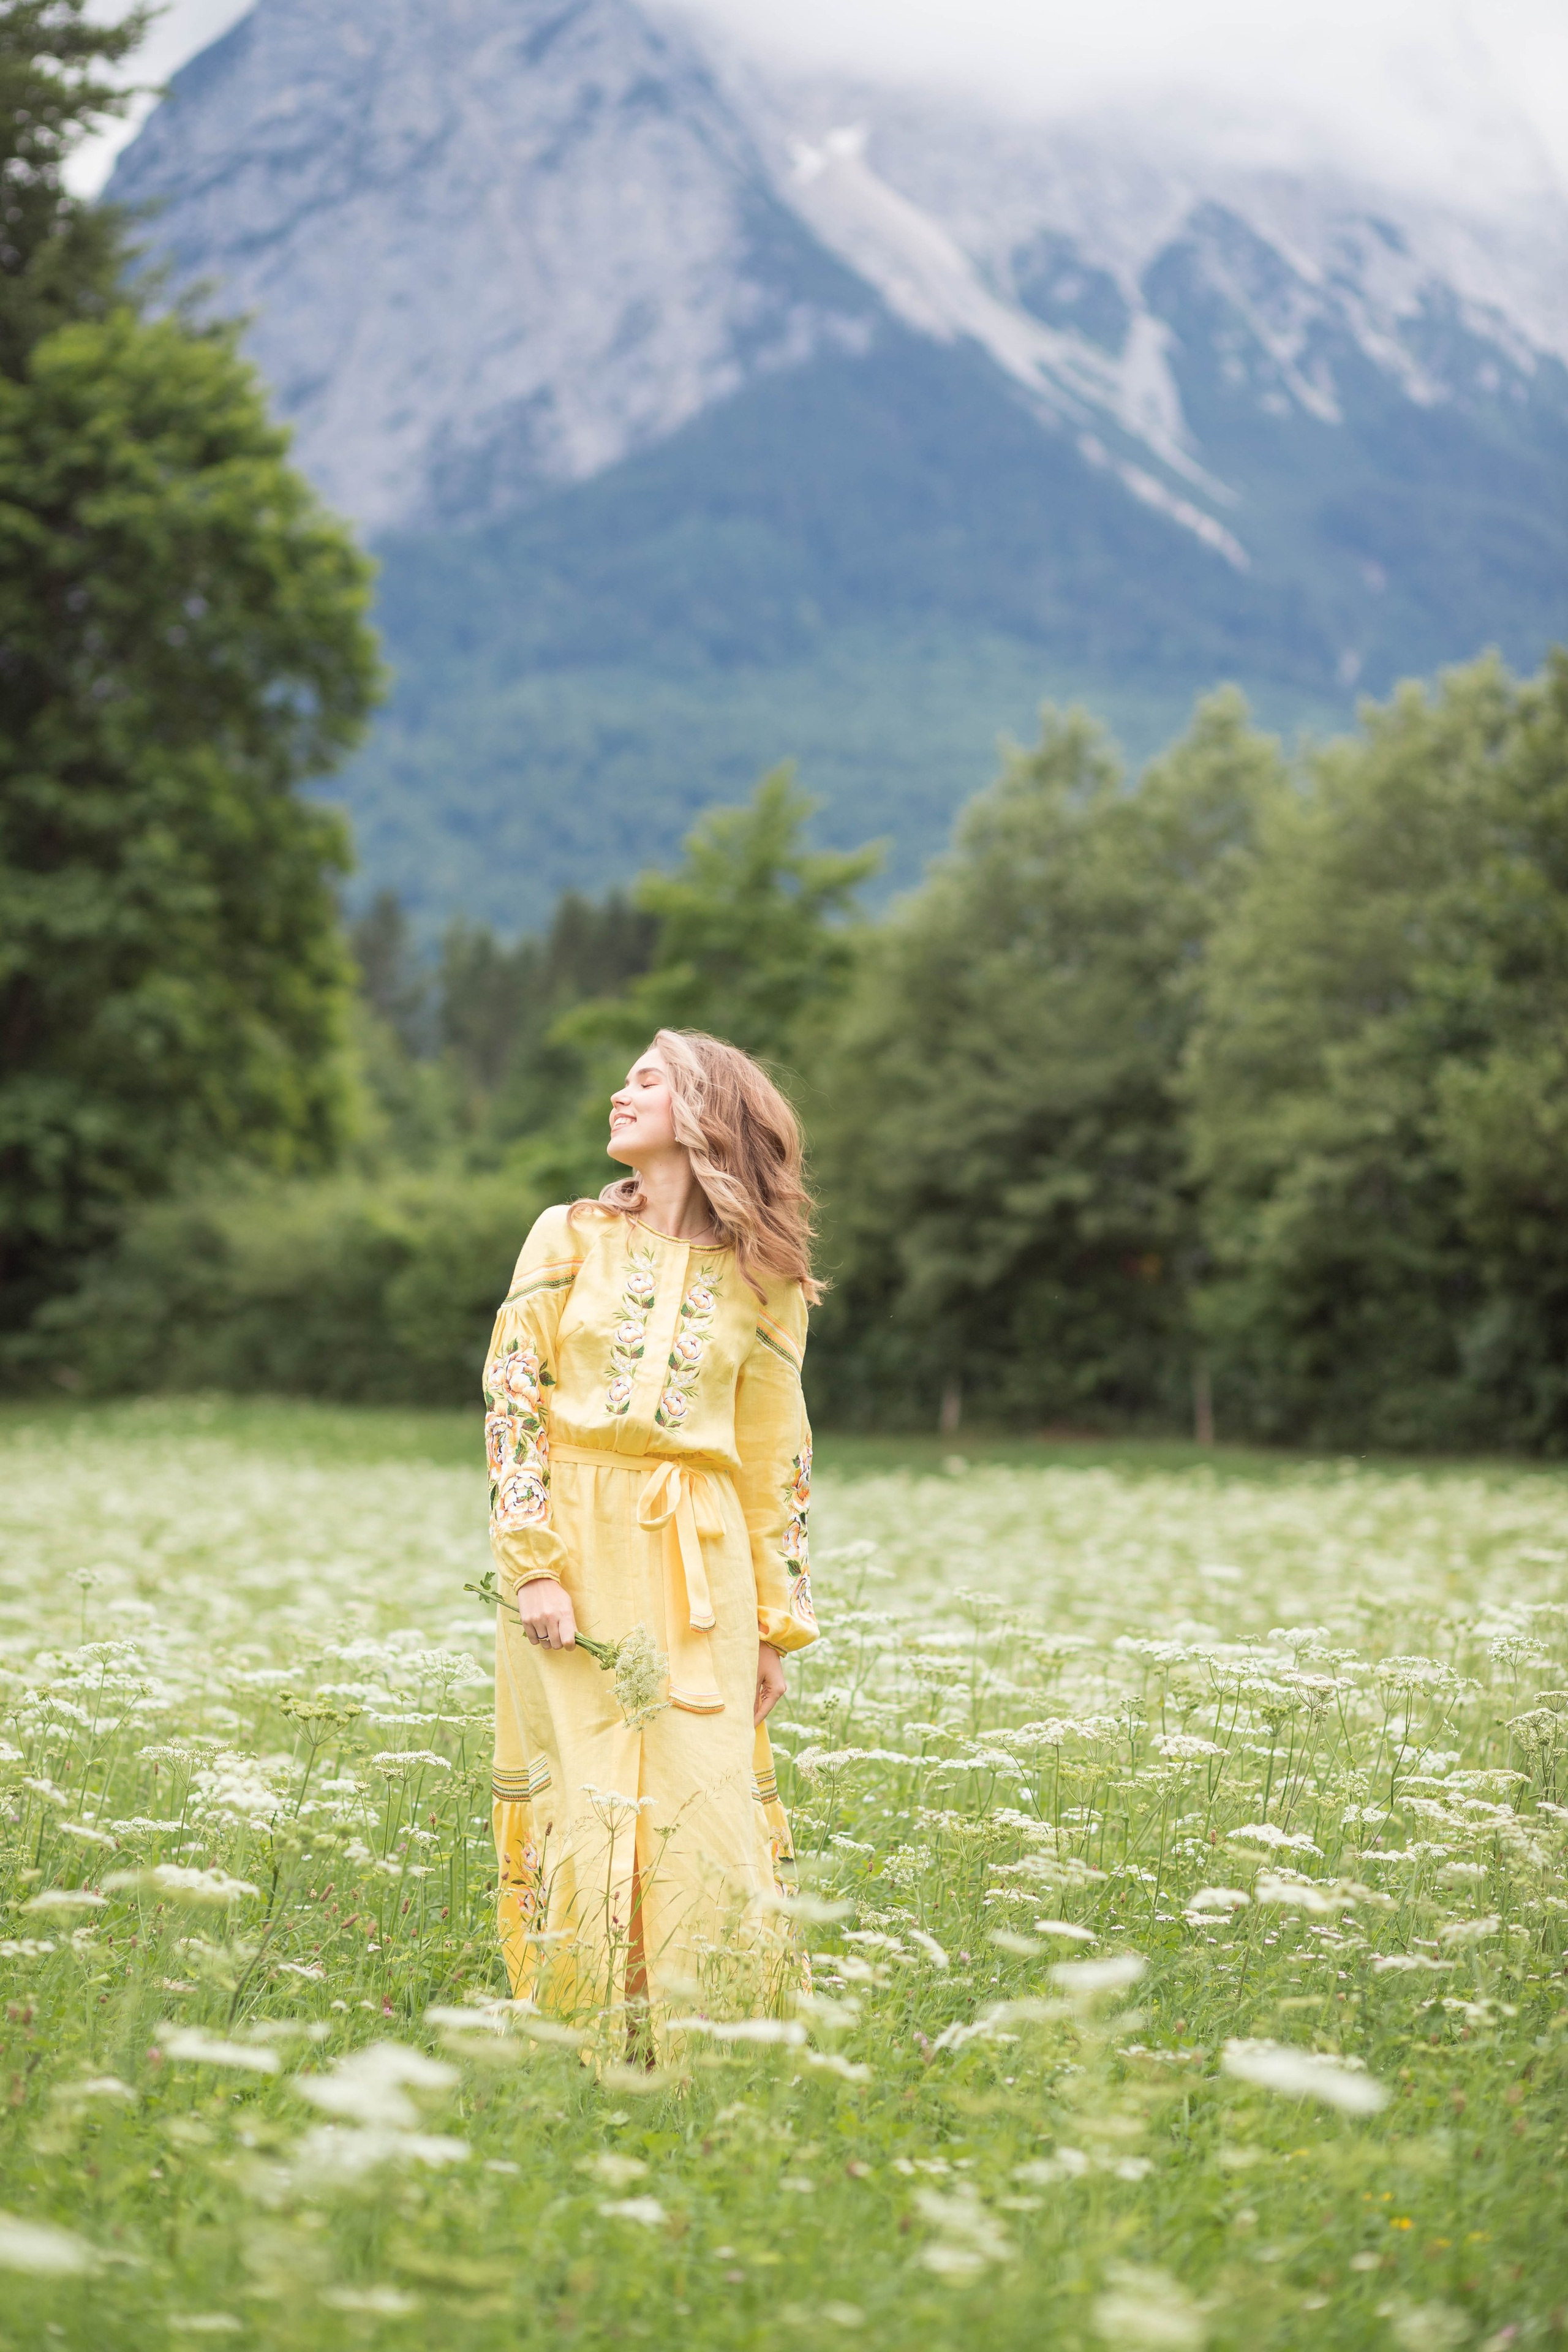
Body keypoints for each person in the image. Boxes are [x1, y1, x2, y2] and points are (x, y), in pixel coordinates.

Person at [484, 1029, 820, 2026]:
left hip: (699, 1558)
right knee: (589, 1790)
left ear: (706, 1113)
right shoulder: (568, 1234)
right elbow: (512, 1397)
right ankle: (588, 2027)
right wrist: (534, 1564)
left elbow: (774, 1460)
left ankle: (714, 2031)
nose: (619, 1094)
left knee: (703, 1795)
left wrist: (772, 1624)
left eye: (646, 1081)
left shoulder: (768, 1279)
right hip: (574, 1545)